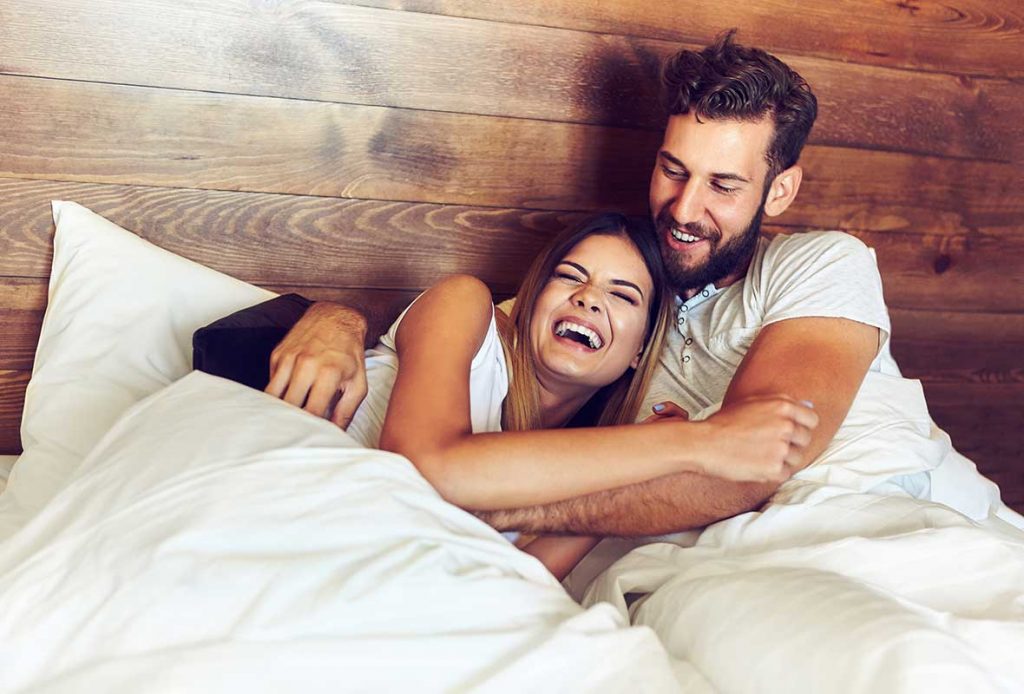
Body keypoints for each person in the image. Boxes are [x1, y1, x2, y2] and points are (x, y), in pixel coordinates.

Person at [266, 30, 959, 543]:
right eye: (673, 170)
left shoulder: (822, 264)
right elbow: (474, 331)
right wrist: (337, 315)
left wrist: (492, 513)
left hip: (867, 519)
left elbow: (755, 460)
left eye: (723, 185)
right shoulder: (628, 292)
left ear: (779, 191)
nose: (685, 209)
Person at [276, 212, 817, 578]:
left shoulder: (576, 461)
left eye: (622, 295)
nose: (588, 298)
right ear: (532, 300)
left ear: (639, 351)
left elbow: (515, 582)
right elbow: (427, 468)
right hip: (288, 519)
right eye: (570, 276)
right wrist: (697, 442)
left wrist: (635, 478)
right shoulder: (466, 307)